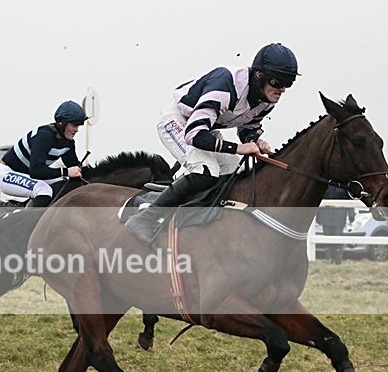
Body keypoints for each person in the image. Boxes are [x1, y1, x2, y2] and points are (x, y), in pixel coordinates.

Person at [125, 43, 300, 243]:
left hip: (206, 129)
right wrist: (239, 148)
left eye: (288, 84)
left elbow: (247, 128)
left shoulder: (266, 100)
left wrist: (254, 140)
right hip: (179, 122)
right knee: (205, 170)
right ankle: (146, 219)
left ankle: (203, 223)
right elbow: (195, 135)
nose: (282, 89)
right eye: (278, 82)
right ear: (259, 75)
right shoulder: (226, 84)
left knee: (233, 170)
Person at [0, 100, 86, 207]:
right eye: (74, 125)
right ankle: (29, 222)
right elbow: (36, 171)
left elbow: (74, 167)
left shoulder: (68, 142)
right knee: (43, 190)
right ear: (62, 123)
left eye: (78, 126)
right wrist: (65, 171)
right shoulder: (44, 137)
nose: (76, 130)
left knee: (65, 183)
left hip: (28, 174)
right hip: (8, 174)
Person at [317, 185, 354, 264]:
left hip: (339, 216)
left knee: (338, 239)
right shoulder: (326, 184)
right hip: (325, 216)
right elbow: (319, 198)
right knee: (327, 239)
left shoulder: (344, 185)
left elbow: (350, 198)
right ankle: (329, 259)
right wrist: (318, 215)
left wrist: (351, 216)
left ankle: (337, 260)